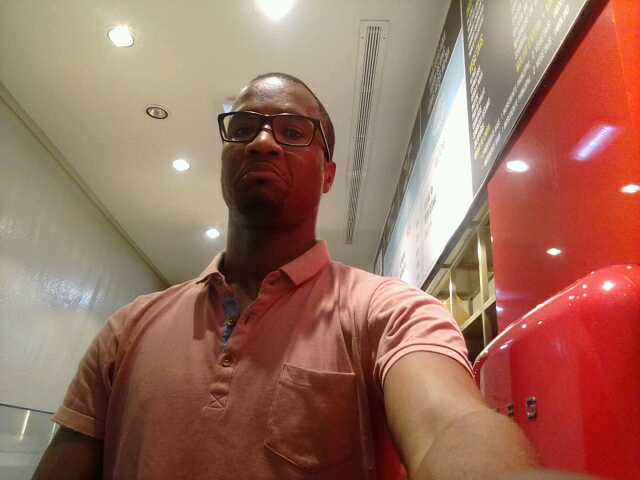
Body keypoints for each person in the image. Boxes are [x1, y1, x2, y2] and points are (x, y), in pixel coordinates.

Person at [33, 73, 591, 480]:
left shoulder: (389, 311)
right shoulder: (128, 329)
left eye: (293, 131)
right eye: (244, 127)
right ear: (225, 157)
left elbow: (450, 423)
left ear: (327, 175)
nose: (262, 141)